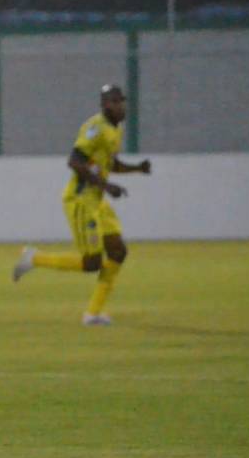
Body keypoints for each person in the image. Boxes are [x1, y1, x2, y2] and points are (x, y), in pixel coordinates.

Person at [12, 84, 151, 325]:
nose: (121, 106)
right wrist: (106, 186)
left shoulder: (115, 129)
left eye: (122, 101)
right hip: (80, 200)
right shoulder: (95, 128)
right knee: (92, 263)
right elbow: (75, 162)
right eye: (115, 102)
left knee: (118, 251)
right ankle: (34, 258)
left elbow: (110, 164)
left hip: (97, 200)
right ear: (104, 105)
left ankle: (93, 314)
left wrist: (137, 168)